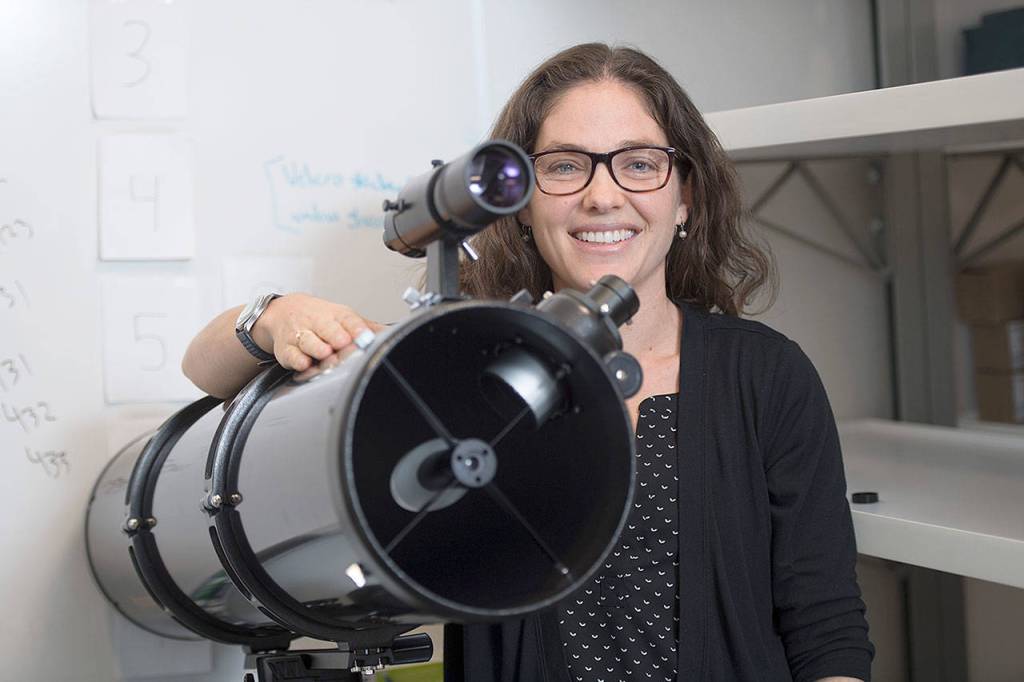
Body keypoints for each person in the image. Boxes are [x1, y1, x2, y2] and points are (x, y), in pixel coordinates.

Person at [183, 43, 873, 682]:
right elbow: (203, 370)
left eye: (638, 163)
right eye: (566, 166)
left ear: (684, 194)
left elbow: (824, 623)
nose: (603, 195)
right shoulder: (454, 368)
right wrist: (274, 317)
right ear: (520, 204)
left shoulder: (766, 377)